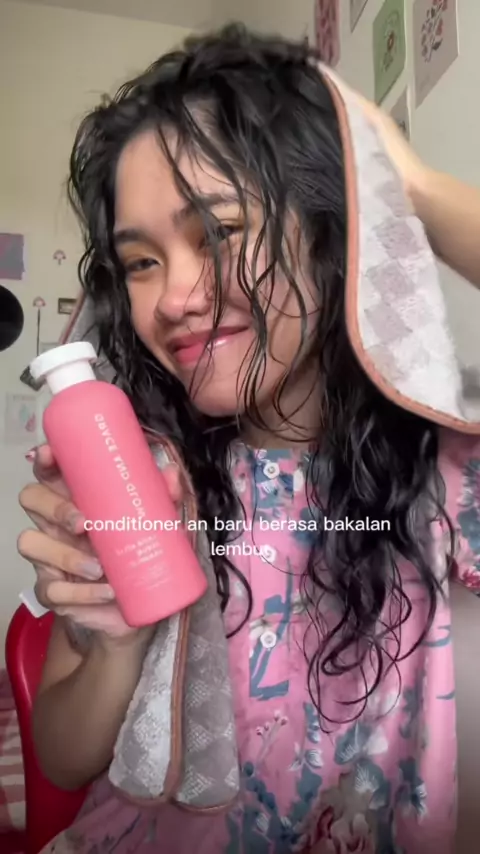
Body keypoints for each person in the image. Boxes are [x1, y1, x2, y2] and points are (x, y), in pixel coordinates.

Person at [16, 25, 480, 854]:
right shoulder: (142, 475)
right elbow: (61, 754)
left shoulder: (449, 466)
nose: (175, 297)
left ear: (328, 227)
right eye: (141, 262)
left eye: (218, 231)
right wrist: (119, 645)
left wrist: (409, 184)